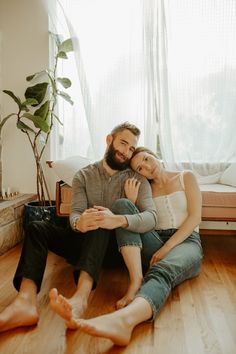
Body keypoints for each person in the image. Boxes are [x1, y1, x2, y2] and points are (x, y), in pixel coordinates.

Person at [0, 123, 157, 332]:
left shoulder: (136, 179)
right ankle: (25, 301)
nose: (126, 152)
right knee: (37, 227)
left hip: (112, 250)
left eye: (131, 148)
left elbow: (151, 217)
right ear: (109, 140)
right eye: (123, 143)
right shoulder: (83, 175)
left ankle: (81, 298)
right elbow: (75, 213)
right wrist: (78, 222)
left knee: (100, 217)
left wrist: (117, 219)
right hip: (81, 243)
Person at [68, 146, 203, 346]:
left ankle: (125, 320)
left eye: (147, 159)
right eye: (140, 168)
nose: (147, 168)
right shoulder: (144, 188)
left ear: (154, 155)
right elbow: (138, 220)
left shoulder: (186, 177)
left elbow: (195, 218)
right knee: (123, 205)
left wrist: (167, 248)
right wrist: (131, 201)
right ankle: (135, 282)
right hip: (155, 240)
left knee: (161, 270)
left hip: (187, 241)